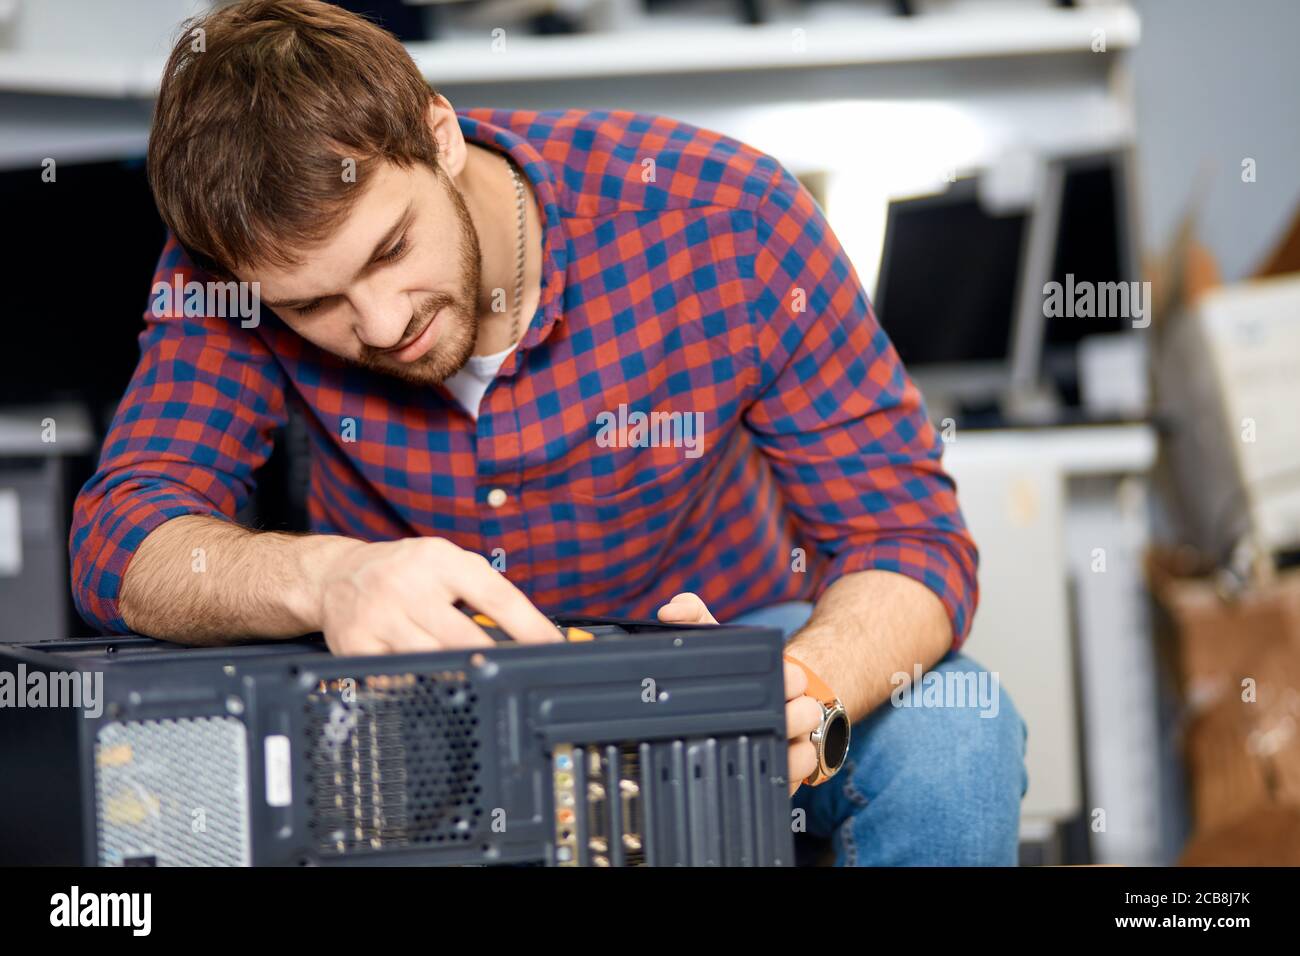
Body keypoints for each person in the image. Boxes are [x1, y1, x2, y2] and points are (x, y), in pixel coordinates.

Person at [70, 0, 1026, 865]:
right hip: (421, 698)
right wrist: (329, 577)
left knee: (957, 739)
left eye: (392, 249)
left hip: (725, 651)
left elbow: (906, 538)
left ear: (439, 136)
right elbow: (120, 538)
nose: (377, 323)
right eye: (314, 303)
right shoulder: (231, 279)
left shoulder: (729, 220)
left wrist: (808, 685)